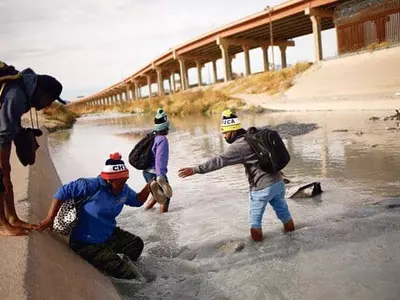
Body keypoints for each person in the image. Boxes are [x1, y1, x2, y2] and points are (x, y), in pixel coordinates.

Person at [178, 110, 295, 242]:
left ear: (233, 131)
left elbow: (219, 161)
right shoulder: (254, 135)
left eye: (225, 133)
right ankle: (293, 240)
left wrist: (195, 169)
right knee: (285, 215)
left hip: (262, 189)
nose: (224, 136)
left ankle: (258, 252)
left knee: (255, 223)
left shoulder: (238, 146)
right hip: (278, 183)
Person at [37, 152, 154, 279]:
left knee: (136, 245)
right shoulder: (90, 186)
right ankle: (115, 267)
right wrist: (50, 218)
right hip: (86, 243)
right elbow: (62, 192)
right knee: (127, 274)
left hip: (108, 235)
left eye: (125, 181)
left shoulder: (123, 190)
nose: (124, 185)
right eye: (120, 182)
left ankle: (116, 261)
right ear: (109, 181)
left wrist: (149, 187)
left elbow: (137, 201)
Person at [0, 66, 66, 236]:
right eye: (50, 99)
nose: (49, 104)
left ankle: (12, 218)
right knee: (1, 172)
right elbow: (3, 134)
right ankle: (2, 224)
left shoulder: (24, 90)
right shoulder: (17, 96)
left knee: (5, 172)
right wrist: (3, 165)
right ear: (41, 92)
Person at [143, 108, 172, 213]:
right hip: (156, 173)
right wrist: (161, 176)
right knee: (165, 198)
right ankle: (163, 222)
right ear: (165, 127)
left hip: (147, 172)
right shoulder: (162, 140)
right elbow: (160, 159)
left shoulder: (152, 136)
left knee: (157, 195)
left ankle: (145, 212)